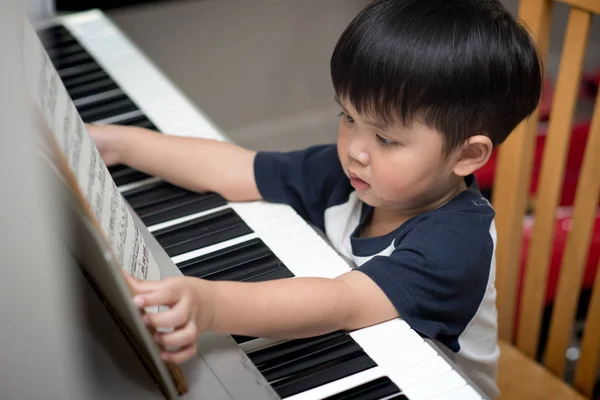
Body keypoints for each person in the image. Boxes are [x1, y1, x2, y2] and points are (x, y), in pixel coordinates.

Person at [87, 0, 542, 398]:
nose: (354, 149)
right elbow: (238, 168)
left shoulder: (456, 244)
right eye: (348, 116)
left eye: (385, 138)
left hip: (429, 383)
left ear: (467, 155)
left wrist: (210, 305)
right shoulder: (354, 172)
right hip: (363, 355)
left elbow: (337, 301)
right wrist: (121, 145)